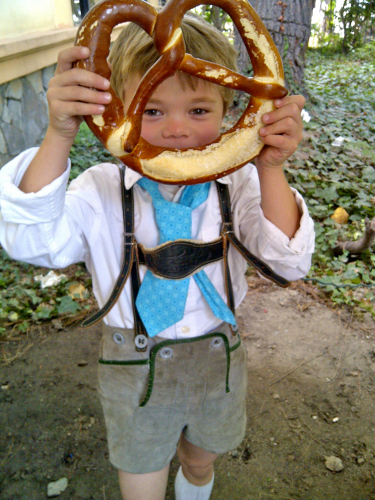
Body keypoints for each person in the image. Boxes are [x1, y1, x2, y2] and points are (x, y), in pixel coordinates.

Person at [0, 13, 315, 500]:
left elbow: (291, 262)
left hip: (220, 359)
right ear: (117, 107)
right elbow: (30, 241)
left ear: (232, 109)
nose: (174, 130)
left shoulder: (241, 184)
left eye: (198, 110)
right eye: (151, 109)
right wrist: (59, 134)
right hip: (134, 368)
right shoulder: (99, 191)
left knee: (201, 458)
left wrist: (270, 167)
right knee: (140, 479)